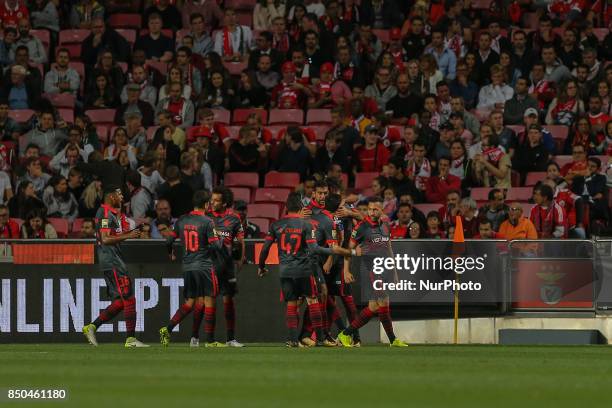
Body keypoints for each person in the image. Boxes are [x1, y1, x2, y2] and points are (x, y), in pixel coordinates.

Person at [258, 192, 356, 347]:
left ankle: (292, 340)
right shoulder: (306, 224)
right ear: (301, 208)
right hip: (304, 269)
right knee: (313, 300)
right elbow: (315, 248)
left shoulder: (275, 225)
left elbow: (265, 249)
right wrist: (334, 251)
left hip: (285, 271)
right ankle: (319, 339)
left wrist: (261, 266)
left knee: (292, 304)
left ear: (286, 207)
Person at [336, 196, 408, 347]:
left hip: (384, 268)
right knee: (383, 302)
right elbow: (348, 249)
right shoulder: (361, 227)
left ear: (382, 210)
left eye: (375, 209)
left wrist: (394, 271)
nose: (372, 212)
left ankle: (345, 334)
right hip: (371, 270)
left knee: (374, 307)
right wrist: (346, 270)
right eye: (370, 209)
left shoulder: (385, 226)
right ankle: (393, 340)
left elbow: (389, 248)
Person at [82, 185, 149, 348]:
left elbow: (108, 236)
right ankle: (131, 339)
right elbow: (105, 239)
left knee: (120, 301)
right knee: (129, 298)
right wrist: (129, 235)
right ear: (111, 197)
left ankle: (91, 327)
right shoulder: (104, 213)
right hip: (112, 261)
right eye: (119, 195)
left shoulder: (108, 213)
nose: (122, 197)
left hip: (111, 260)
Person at [159, 190, 225, 347]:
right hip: (204, 266)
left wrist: (171, 253)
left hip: (188, 266)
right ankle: (210, 341)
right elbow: (217, 246)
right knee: (209, 301)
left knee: (190, 303)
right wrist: (221, 238)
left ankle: (167, 329)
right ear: (206, 204)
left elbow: (169, 240)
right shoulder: (207, 221)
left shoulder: (181, 220)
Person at [206, 187, 245, 347]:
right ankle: (209, 339)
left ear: (224, 203)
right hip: (209, 264)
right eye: (211, 199)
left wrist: (241, 259)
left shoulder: (234, 218)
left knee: (228, 301)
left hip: (227, 265)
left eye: (216, 200)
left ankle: (230, 339)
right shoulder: (206, 217)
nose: (212, 203)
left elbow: (241, 240)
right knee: (210, 301)